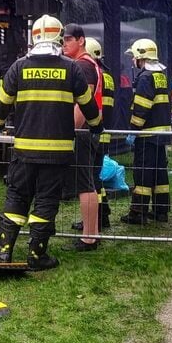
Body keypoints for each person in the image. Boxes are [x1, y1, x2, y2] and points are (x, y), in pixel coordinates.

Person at [0, 14, 102, 270]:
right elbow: (88, 105)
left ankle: (3, 251)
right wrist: (97, 128)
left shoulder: (18, 67)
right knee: (46, 202)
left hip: (24, 150)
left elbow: (0, 106)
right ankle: (37, 256)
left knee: (16, 197)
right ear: (59, 37)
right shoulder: (71, 68)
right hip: (58, 152)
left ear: (34, 37)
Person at [121, 38, 172, 224]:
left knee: (143, 173)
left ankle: (138, 213)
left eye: (133, 57)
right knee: (160, 174)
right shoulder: (161, 75)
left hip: (147, 134)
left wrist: (133, 131)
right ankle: (161, 212)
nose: (132, 60)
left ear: (140, 57)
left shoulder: (145, 77)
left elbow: (142, 108)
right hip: (162, 134)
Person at [62, 23, 102, 251]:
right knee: (88, 184)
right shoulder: (89, 64)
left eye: (68, 39)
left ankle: (88, 238)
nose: (64, 44)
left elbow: (81, 102)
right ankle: (92, 234)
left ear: (81, 40)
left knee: (85, 185)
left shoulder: (83, 66)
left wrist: (72, 129)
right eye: (63, 40)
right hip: (89, 130)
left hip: (83, 131)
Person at [83, 37, 116, 230]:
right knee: (95, 176)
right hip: (105, 133)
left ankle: (98, 218)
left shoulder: (93, 75)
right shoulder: (108, 76)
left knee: (91, 178)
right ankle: (102, 214)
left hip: (93, 133)